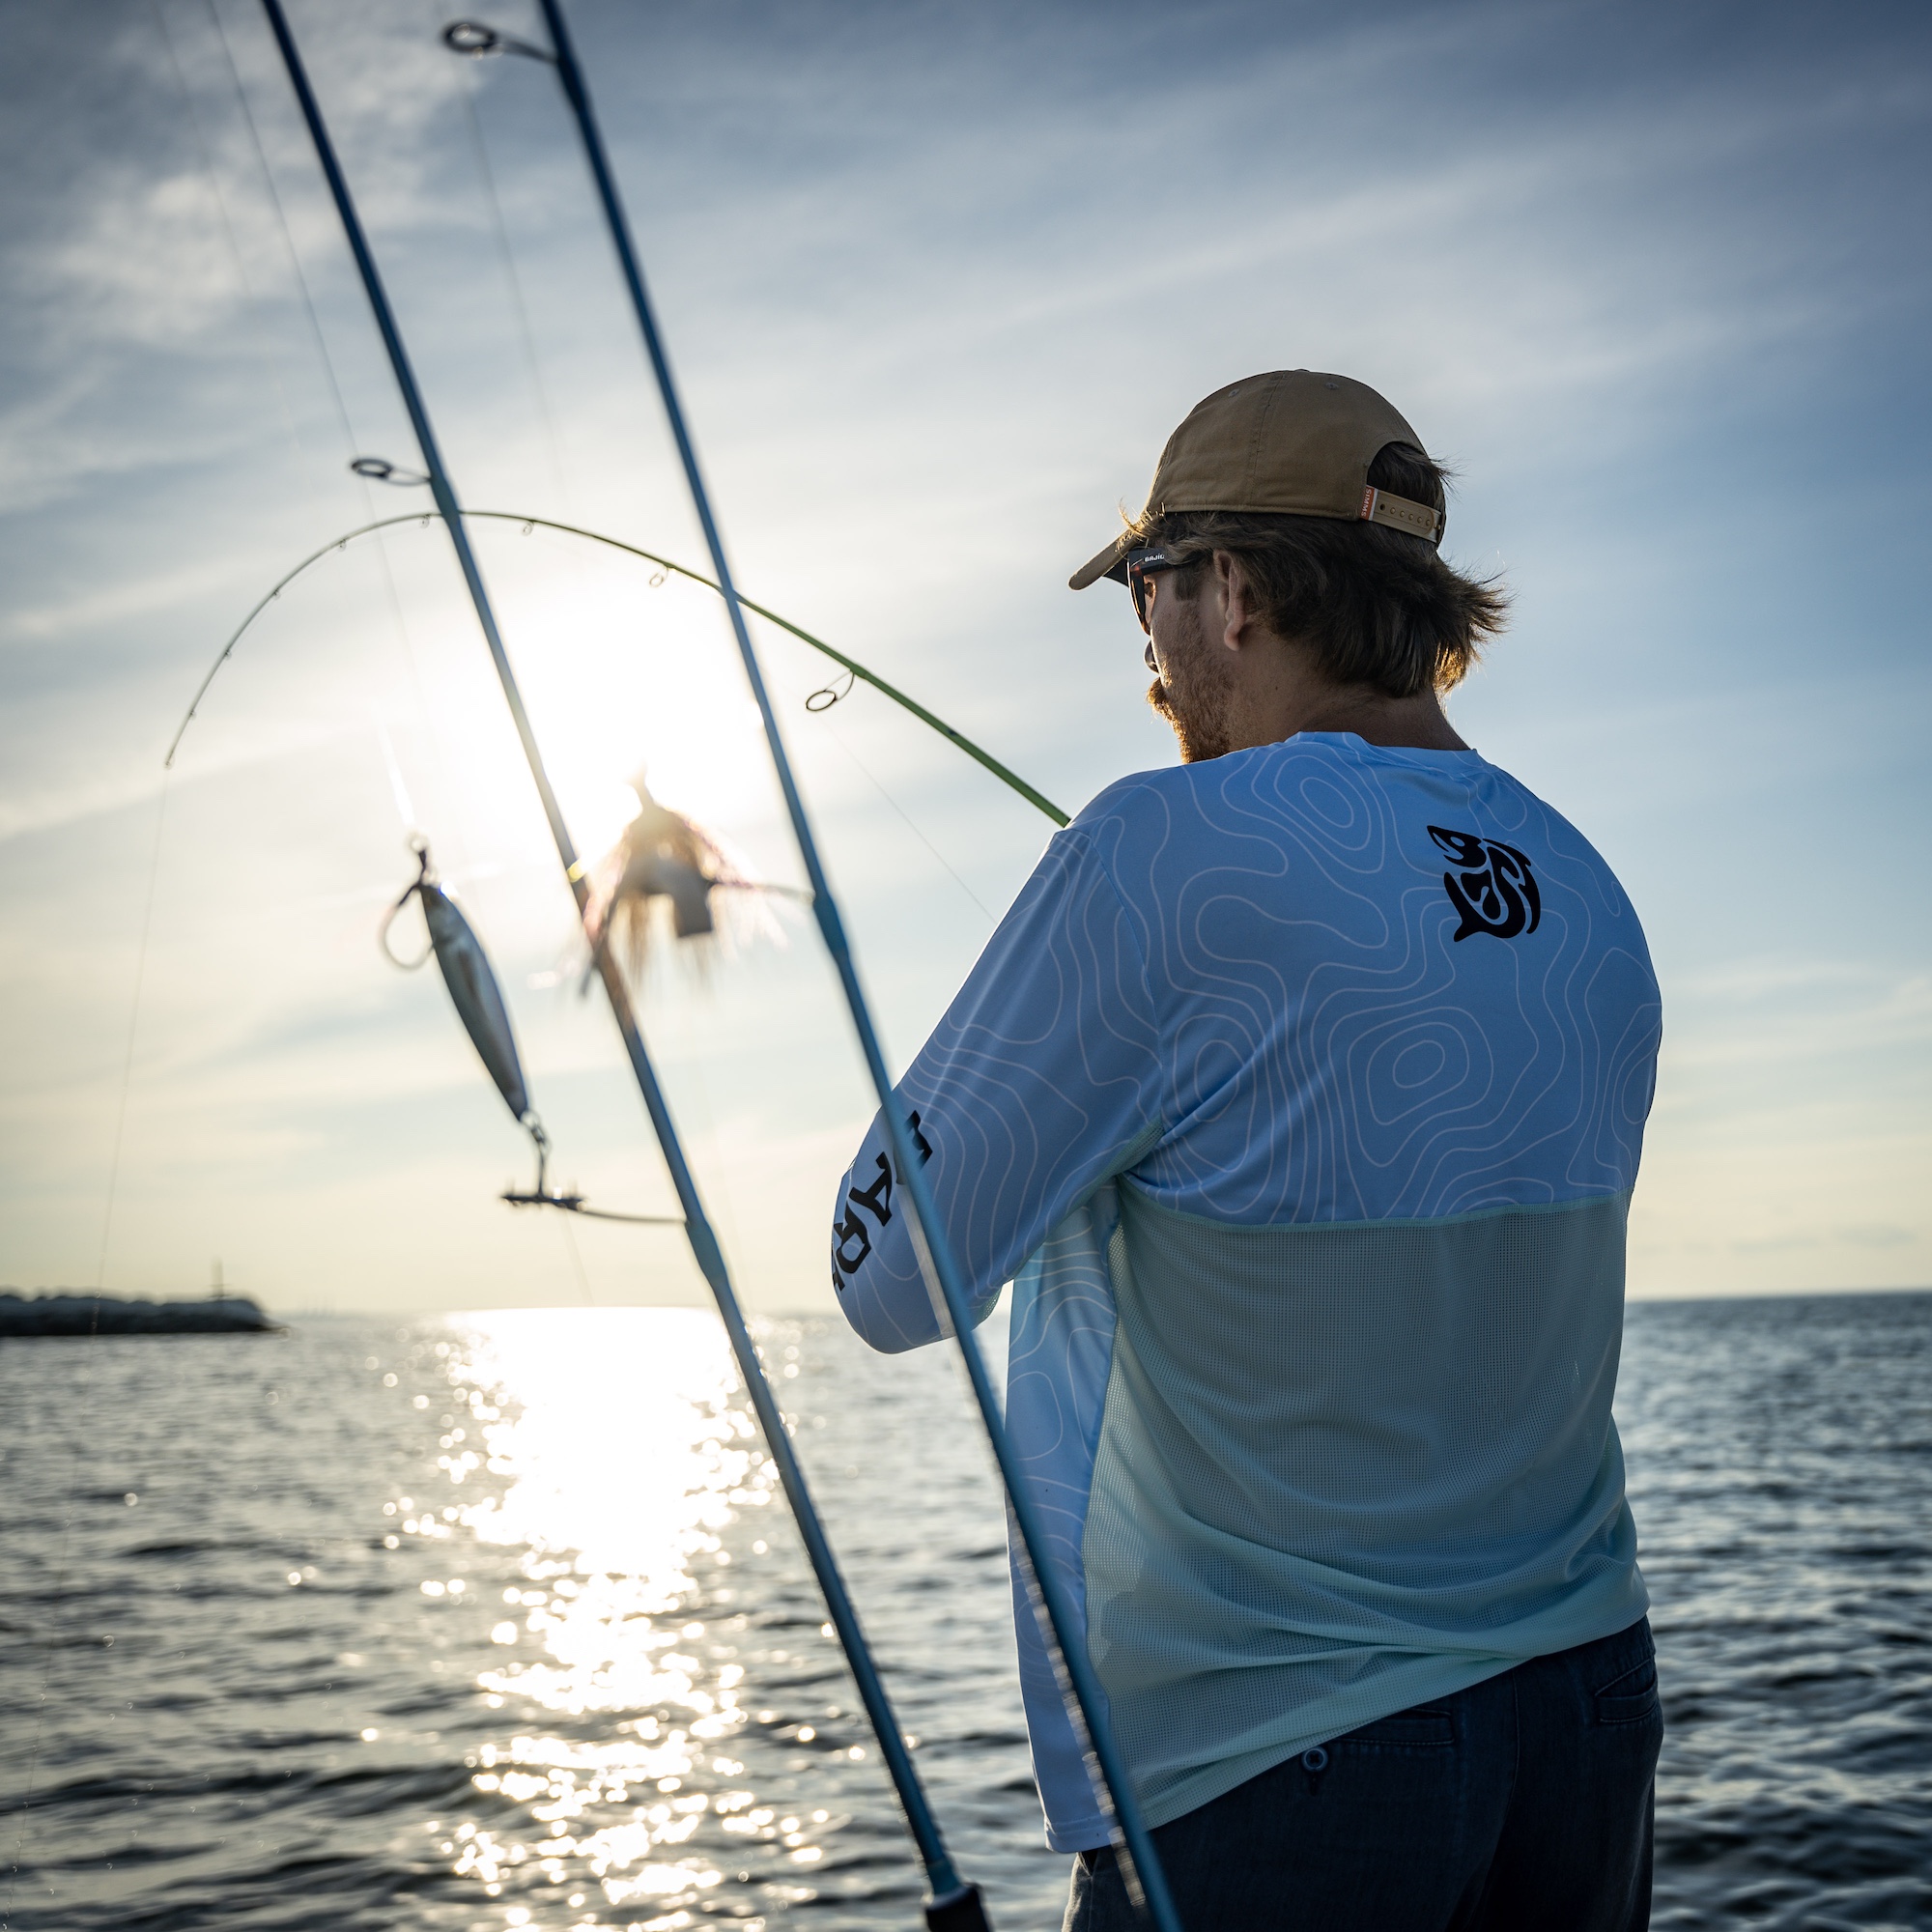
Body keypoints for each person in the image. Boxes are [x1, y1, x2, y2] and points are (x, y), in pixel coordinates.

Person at [830, 370, 1663, 1931]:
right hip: (1590, 1719)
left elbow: (888, 1276)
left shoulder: (1155, 853)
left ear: (1230, 588)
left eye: (1144, 588)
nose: (1143, 636)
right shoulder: (1589, 887)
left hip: (1283, 1772)